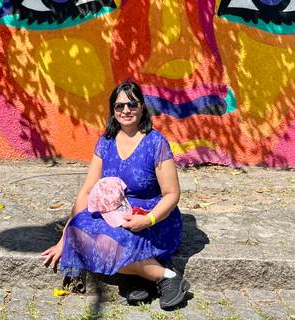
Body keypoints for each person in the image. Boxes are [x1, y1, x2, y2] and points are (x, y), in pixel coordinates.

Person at [41, 80, 188, 310]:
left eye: (132, 104)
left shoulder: (155, 143)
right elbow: (87, 191)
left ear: (142, 107)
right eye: (119, 106)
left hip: (154, 219)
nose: (126, 110)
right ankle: (160, 275)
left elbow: (172, 194)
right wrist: (66, 237)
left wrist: (146, 220)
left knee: (112, 240)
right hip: (115, 215)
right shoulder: (106, 142)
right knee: (83, 233)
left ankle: (164, 279)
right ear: (113, 110)